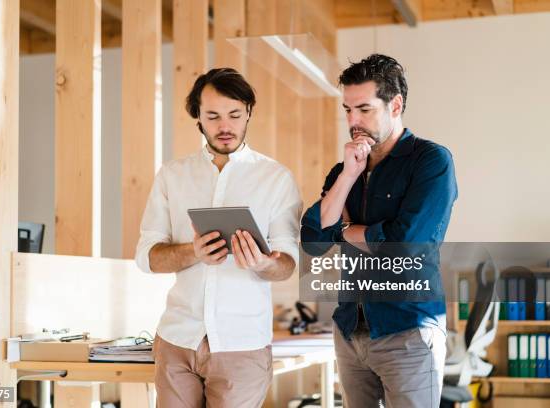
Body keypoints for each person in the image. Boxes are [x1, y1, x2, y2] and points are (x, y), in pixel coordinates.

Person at [135, 68, 302, 408]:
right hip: (177, 339)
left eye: (234, 115)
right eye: (212, 116)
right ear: (197, 116)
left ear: (248, 113)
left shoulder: (276, 178)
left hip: (242, 345)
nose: (225, 126)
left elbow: (287, 264)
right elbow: (147, 257)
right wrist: (193, 251)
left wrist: (262, 263)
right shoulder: (173, 175)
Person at [301, 54, 458, 408]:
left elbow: (406, 247)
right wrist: (348, 177)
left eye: (364, 109)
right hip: (349, 331)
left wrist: (344, 231)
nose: (353, 121)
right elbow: (312, 242)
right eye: (347, 110)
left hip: (408, 330)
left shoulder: (431, 161)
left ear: (395, 105)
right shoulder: (343, 171)